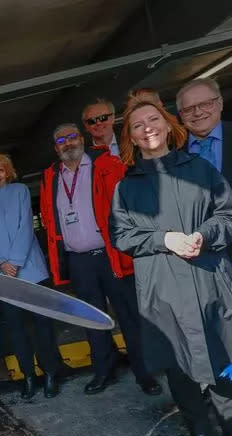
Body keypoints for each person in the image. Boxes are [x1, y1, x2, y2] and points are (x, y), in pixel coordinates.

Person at [110, 93, 232, 436]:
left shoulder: (200, 169)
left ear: (167, 124)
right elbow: (122, 235)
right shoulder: (127, 187)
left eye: (153, 120)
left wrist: (204, 235)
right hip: (163, 286)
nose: (148, 128)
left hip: (209, 276)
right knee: (179, 362)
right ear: (131, 137)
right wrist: (164, 239)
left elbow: (231, 214)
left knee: (224, 353)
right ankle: (198, 431)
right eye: (138, 125)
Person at [40, 123, 161, 396]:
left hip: (111, 255)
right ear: (55, 147)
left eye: (72, 137)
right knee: (91, 318)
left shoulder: (105, 163)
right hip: (79, 260)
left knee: (130, 316)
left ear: (81, 139)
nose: (67, 143)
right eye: (61, 140)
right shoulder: (51, 176)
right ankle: (103, 371)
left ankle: (146, 373)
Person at [0, 152, 61, 399]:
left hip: (30, 269)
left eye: (1, 170)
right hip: (4, 276)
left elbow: (26, 226)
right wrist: (1, 263)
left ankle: (51, 373)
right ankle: (29, 376)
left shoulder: (21, 190)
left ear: (8, 172)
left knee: (43, 325)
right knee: (16, 328)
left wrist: (15, 261)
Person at [176, 78, 232, 312]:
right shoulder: (176, 159)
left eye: (206, 103)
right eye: (189, 109)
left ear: (220, 103)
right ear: (181, 116)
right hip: (208, 264)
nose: (198, 112)